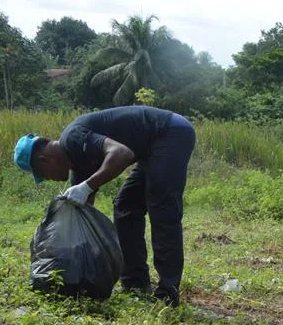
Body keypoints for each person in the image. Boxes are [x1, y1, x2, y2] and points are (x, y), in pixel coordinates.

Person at [13, 106, 196, 306]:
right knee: (125, 207)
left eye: (43, 174)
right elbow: (83, 212)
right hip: (152, 144)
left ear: (44, 160)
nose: (49, 179)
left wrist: (88, 186)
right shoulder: (77, 164)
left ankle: (168, 294)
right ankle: (135, 284)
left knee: (162, 208)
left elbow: (121, 153)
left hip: (170, 131)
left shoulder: (72, 139)